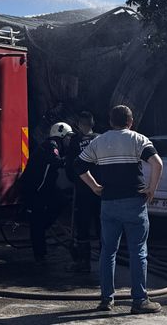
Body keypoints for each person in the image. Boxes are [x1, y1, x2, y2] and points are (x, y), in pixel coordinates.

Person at [76, 105, 164, 314]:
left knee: (107, 252)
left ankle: (107, 300)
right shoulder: (138, 139)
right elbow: (157, 163)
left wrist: (95, 186)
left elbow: (78, 166)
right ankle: (140, 300)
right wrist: (151, 189)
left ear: (110, 121)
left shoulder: (99, 141)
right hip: (134, 202)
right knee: (138, 252)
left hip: (108, 203)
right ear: (130, 122)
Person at [19, 122, 74, 263]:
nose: (69, 141)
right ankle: (39, 254)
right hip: (35, 190)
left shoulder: (51, 146)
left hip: (44, 188)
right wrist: (73, 160)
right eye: (68, 137)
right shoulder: (51, 146)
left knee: (60, 201)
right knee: (37, 222)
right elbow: (56, 162)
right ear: (61, 136)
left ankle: (42, 229)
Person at [65, 111, 100, 273]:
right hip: (101, 190)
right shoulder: (101, 139)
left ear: (79, 125)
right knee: (103, 225)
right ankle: (107, 260)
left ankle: (83, 262)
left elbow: (71, 167)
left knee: (83, 226)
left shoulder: (75, 141)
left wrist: (75, 181)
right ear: (92, 124)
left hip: (83, 190)